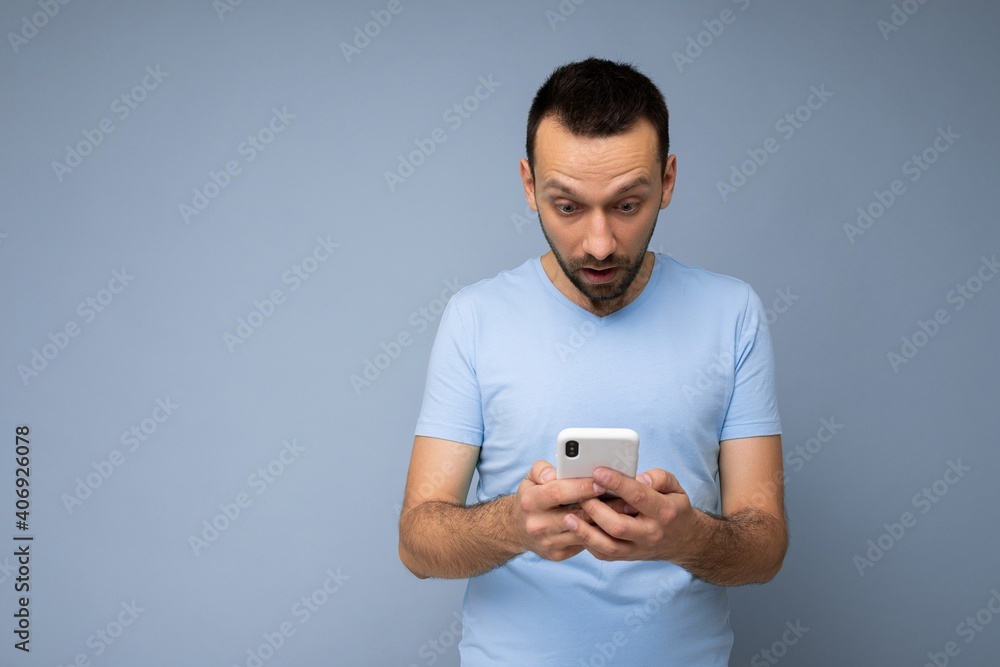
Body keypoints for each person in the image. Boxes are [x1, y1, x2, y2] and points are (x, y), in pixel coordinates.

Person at [398, 57, 787, 666]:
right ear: (529, 186)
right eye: (568, 206)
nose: (600, 244)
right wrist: (513, 525)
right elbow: (417, 544)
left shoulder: (732, 313)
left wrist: (686, 537)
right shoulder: (474, 318)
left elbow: (765, 548)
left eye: (627, 205)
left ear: (668, 181)